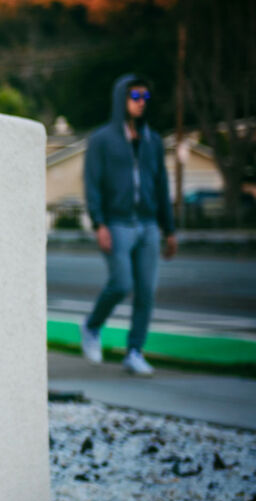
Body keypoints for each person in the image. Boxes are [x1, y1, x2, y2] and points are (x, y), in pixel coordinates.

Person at [80, 74, 178, 376]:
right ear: (121, 98)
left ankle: (134, 351)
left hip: (148, 224)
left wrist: (169, 229)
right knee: (121, 283)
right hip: (116, 223)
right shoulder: (102, 140)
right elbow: (92, 183)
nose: (140, 103)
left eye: (145, 98)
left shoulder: (153, 141)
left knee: (146, 292)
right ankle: (92, 326)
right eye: (135, 96)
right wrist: (99, 223)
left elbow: (161, 186)